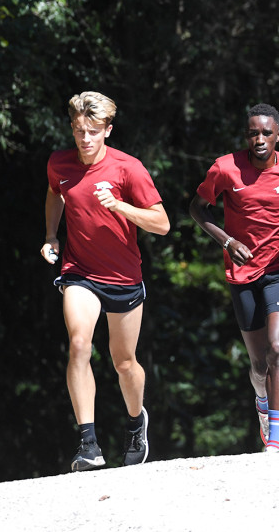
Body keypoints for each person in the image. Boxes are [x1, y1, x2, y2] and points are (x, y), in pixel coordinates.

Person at [41, 91, 170, 471]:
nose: (85, 139)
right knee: (79, 344)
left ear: (108, 131)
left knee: (124, 362)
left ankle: (135, 424)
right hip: (79, 272)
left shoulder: (128, 168)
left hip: (124, 277)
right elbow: (55, 194)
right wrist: (51, 235)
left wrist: (121, 206)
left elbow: (161, 224)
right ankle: (89, 444)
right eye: (80, 130)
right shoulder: (59, 163)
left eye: (93, 131)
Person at [189, 104, 279, 452]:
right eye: (252, 133)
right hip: (242, 272)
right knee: (259, 364)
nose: (259, 140)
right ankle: (262, 401)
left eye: (266, 133)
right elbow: (197, 209)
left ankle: (275, 432)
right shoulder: (225, 169)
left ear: (278, 135)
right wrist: (227, 241)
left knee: (277, 348)